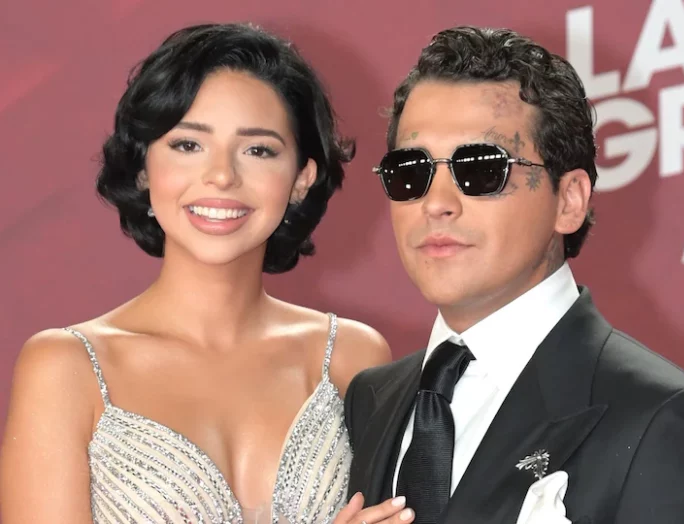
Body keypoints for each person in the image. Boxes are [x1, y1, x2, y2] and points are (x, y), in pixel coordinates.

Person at [0, 22, 395, 524]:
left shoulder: (353, 358)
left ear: (301, 178)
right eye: (188, 145)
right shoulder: (65, 368)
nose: (222, 176)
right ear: (143, 167)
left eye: (258, 150)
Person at [344, 26, 684, 524]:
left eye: (480, 168)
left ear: (568, 200)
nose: (435, 203)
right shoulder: (370, 401)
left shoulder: (664, 422)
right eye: (410, 172)